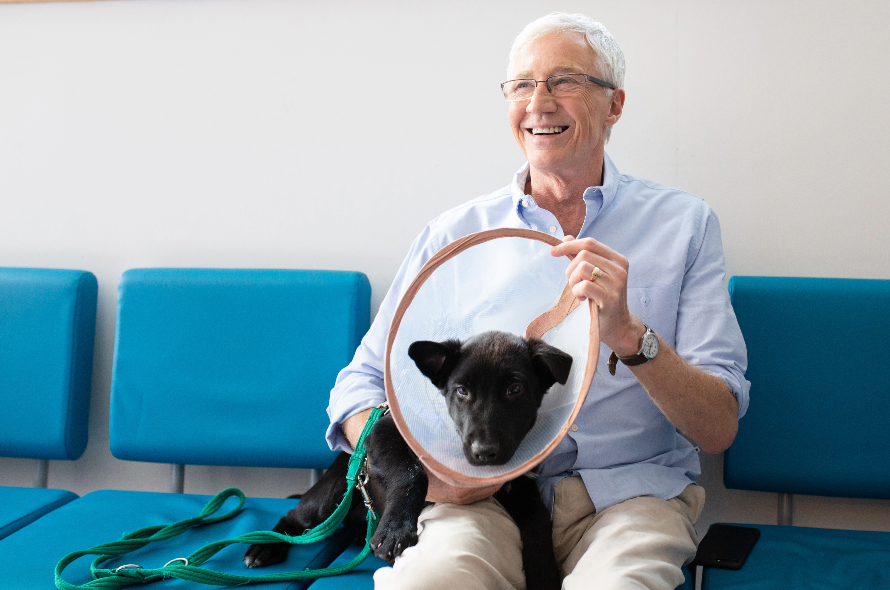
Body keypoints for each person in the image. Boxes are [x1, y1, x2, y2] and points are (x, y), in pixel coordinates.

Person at [326, 12, 750, 590]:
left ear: (615, 105)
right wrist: (417, 476)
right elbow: (360, 385)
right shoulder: (455, 236)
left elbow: (718, 427)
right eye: (522, 85)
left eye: (564, 81)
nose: (538, 103)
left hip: (628, 500)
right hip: (482, 499)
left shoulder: (685, 225)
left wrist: (631, 336)